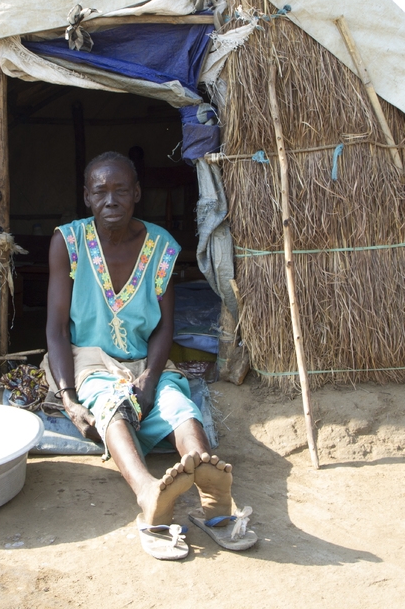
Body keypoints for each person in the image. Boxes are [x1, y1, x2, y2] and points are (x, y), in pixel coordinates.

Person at [42, 151, 256, 559]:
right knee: (112, 405)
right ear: (86, 197)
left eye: (120, 190)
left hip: (143, 357)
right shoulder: (67, 242)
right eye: (100, 191)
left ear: (137, 193)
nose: (111, 200)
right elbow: (54, 328)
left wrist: (151, 379)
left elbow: (163, 326)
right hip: (87, 357)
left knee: (179, 404)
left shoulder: (161, 246)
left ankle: (210, 487)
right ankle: (148, 492)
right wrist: (69, 398)